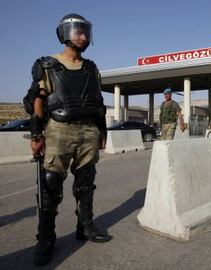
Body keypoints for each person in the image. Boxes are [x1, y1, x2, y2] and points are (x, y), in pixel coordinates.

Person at [23, 14, 111, 266]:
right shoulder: (48, 65)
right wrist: (37, 134)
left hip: (88, 131)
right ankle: (46, 239)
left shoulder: (91, 68)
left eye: (85, 32)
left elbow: (98, 102)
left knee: (86, 181)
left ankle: (85, 225)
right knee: (50, 185)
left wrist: (102, 132)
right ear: (64, 34)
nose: (82, 36)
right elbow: (38, 101)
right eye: (77, 31)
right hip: (58, 130)